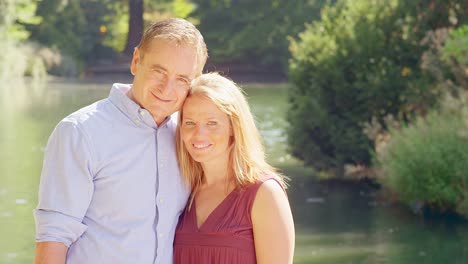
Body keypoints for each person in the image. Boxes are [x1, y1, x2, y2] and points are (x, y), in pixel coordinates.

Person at [34, 18, 208, 264]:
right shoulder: (80, 132)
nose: (167, 88)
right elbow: (54, 235)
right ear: (136, 61)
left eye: (182, 79)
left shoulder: (191, 136)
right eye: (159, 71)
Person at [174, 72, 295, 264]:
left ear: (233, 127)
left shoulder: (264, 193)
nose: (198, 134)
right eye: (189, 123)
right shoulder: (183, 191)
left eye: (212, 123)